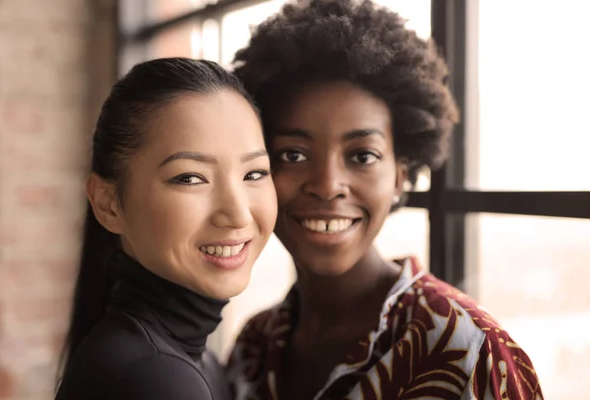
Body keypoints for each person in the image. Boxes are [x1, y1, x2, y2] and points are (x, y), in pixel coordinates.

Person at [226, 0, 544, 399]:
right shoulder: (253, 344)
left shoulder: (470, 351)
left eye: (362, 156)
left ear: (400, 177)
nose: (327, 185)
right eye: (293, 154)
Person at [55, 58, 277, 400]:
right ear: (107, 203)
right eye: (190, 178)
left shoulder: (196, 361)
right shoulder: (152, 376)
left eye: (254, 173)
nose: (238, 214)